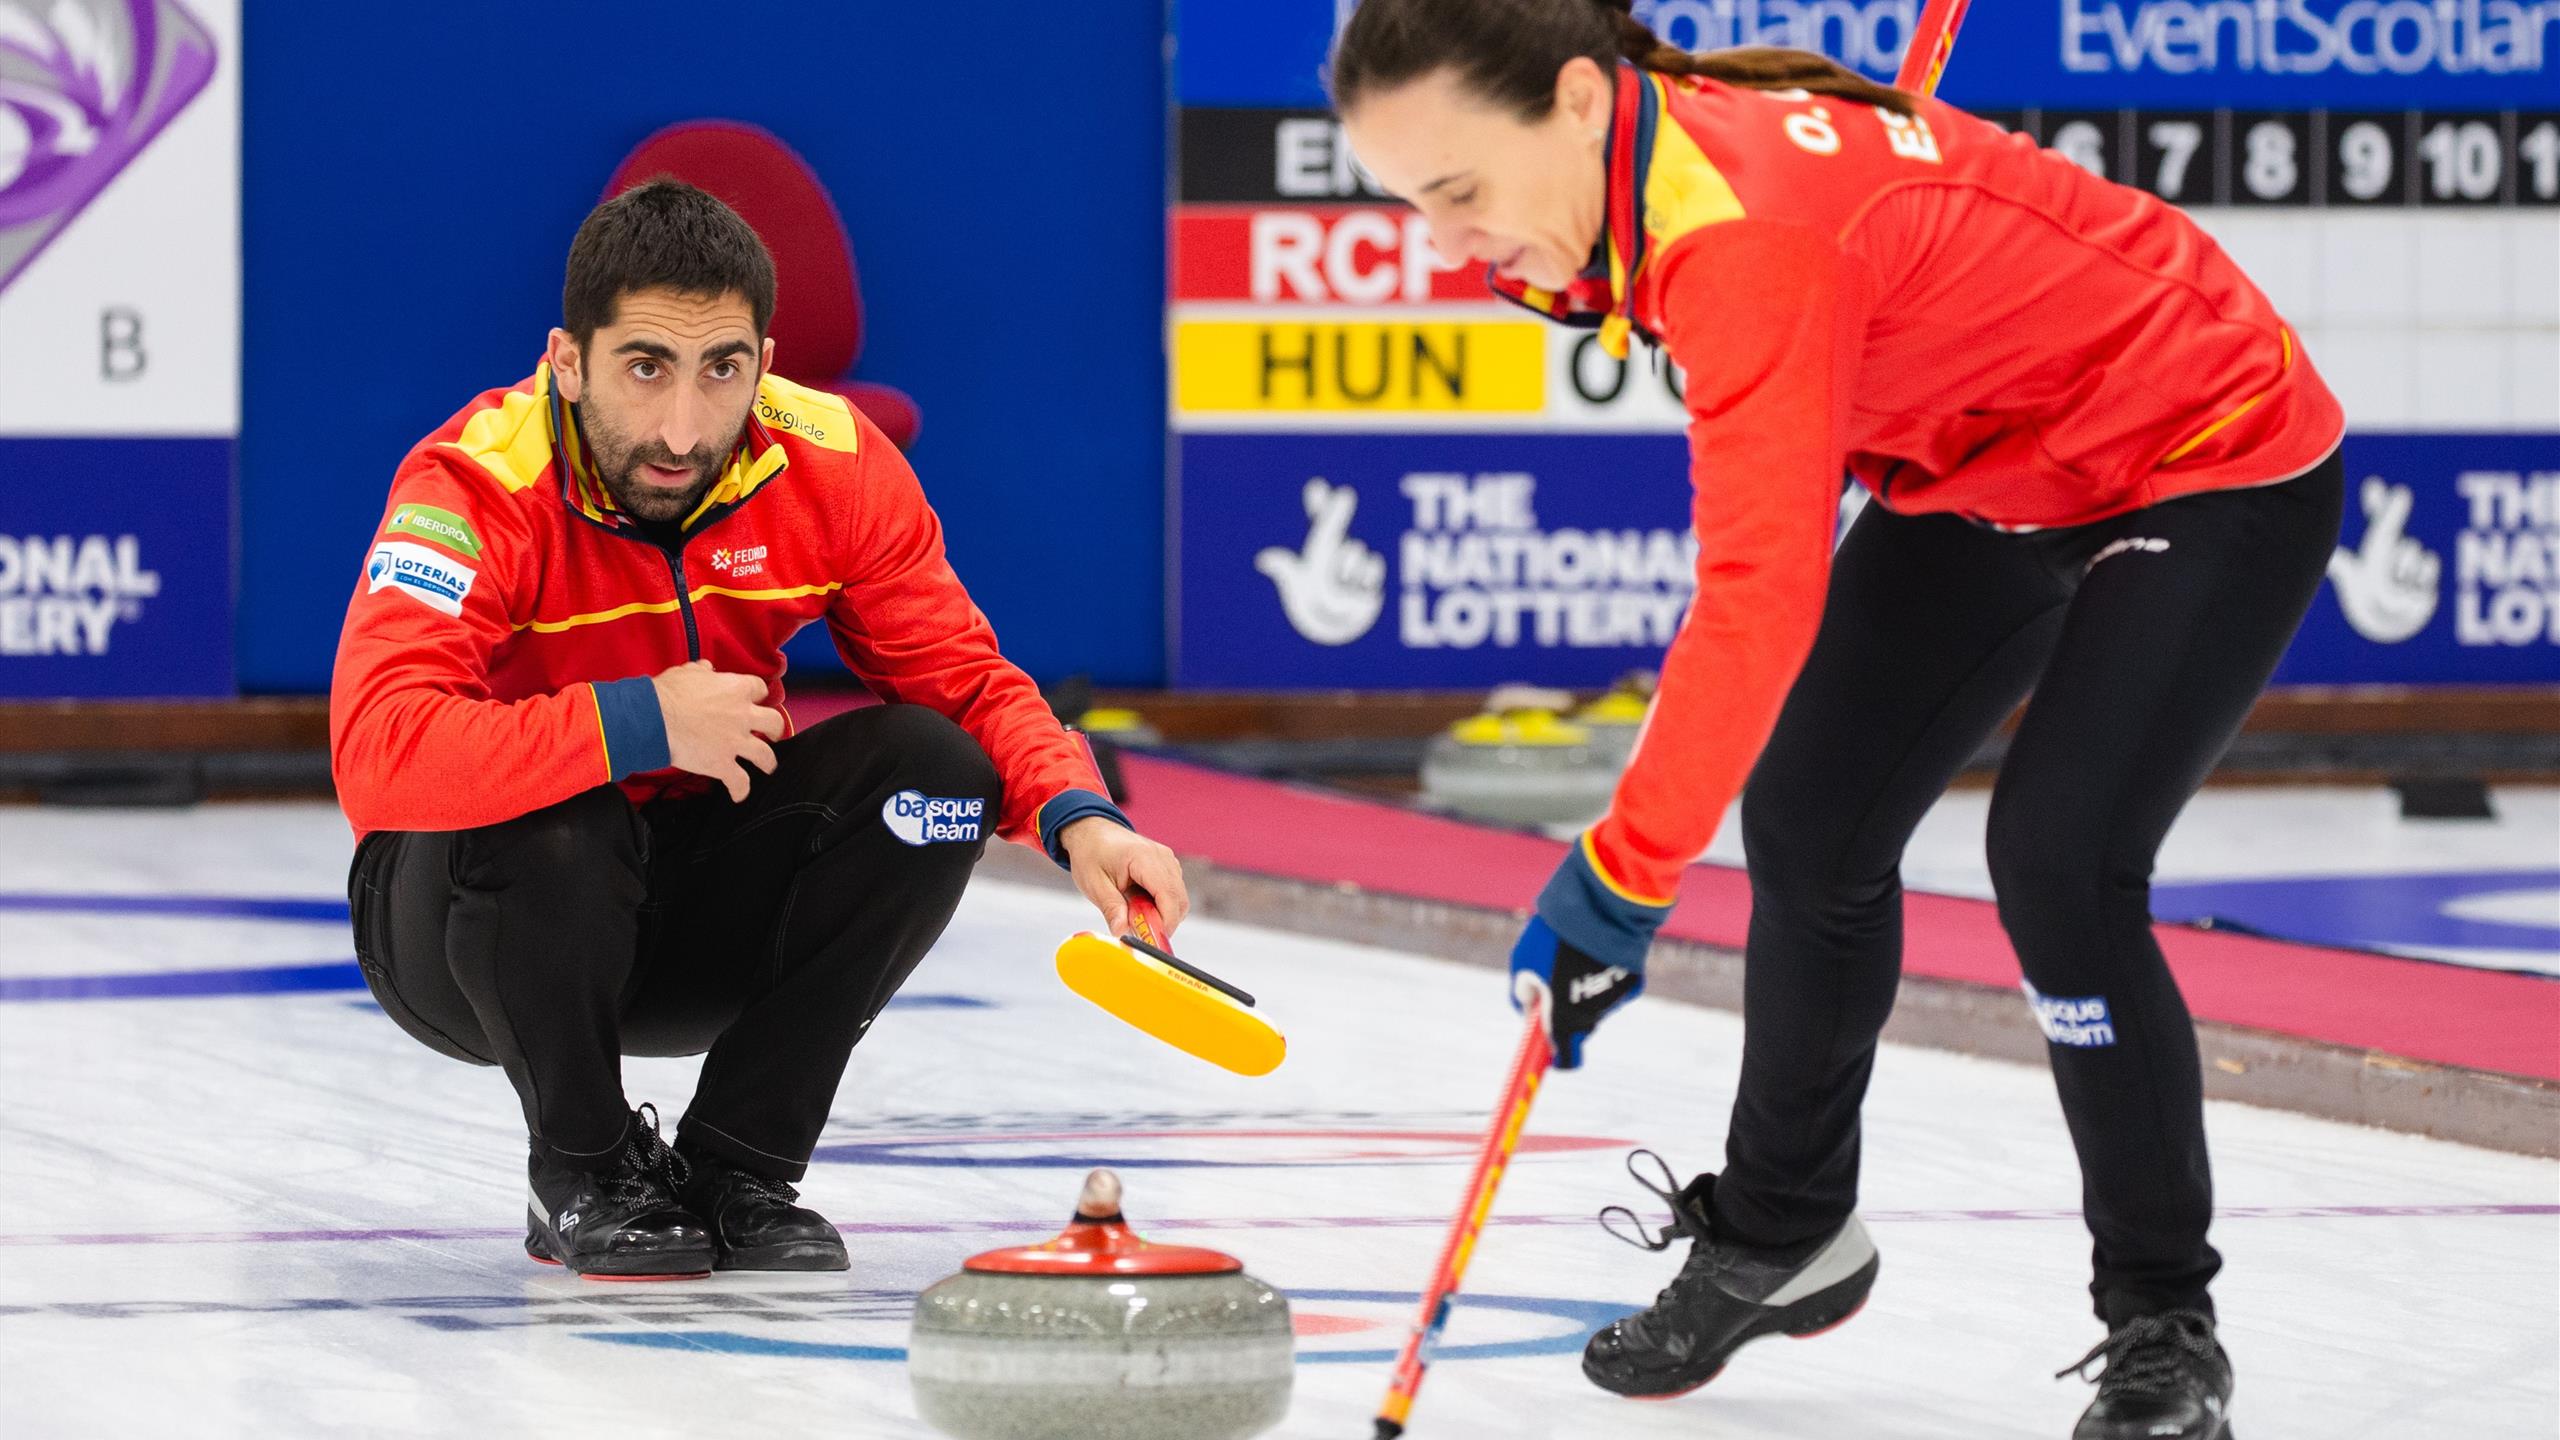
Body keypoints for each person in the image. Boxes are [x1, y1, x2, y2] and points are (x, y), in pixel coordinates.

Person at [1330, 2, 2345, 1436]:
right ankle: (1783, 1227)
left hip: (2201, 448)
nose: (1451, 245)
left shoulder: (1744, 236)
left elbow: (1757, 602)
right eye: (1413, 204)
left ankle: (2164, 1323)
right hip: (1994, 455)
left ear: (1572, 99)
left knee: (2058, 860)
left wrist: (1618, 882)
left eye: (1461, 194)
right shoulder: (1640, 168)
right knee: (1813, 817)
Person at [330, 180, 1189, 1280]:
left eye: (722, 370)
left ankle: (737, 1167)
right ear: (567, 358)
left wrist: (1082, 822)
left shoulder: (832, 460)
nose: (683, 428)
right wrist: (638, 721)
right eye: (645, 367)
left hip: (681, 904)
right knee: (557, 801)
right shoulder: (473, 484)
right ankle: (584, 1170)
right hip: (462, 933)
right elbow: (382, 749)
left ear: (764, 362)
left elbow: (965, 680)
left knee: (935, 775)